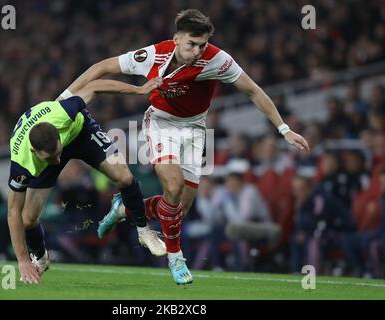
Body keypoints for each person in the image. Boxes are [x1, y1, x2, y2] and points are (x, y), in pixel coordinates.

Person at [63, 9, 310, 285]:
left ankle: (124, 209)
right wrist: (63, 100)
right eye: (191, 44)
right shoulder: (153, 55)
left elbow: (252, 89)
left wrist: (284, 129)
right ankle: (176, 257)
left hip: (195, 130)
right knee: (173, 185)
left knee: (178, 208)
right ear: (176, 39)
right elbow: (103, 67)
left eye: (202, 44)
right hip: (161, 123)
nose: (197, 51)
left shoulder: (218, 60)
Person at [7, 77, 166, 284]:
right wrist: (22, 260)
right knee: (28, 219)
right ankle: (40, 257)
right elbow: (13, 213)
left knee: (125, 177)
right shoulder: (21, 161)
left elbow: (95, 86)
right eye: (50, 158)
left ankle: (144, 231)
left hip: (81, 134)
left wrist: (138, 90)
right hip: (47, 149)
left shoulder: (63, 113)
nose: (57, 161)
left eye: (57, 153)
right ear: (33, 152)